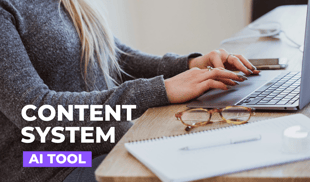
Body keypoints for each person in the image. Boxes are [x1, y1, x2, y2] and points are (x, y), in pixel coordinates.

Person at [0, 0, 260, 181]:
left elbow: (117, 59)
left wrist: (188, 64)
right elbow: (34, 109)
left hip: (113, 147)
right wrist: (160, 90)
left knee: (222, 155)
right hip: (47, 167)